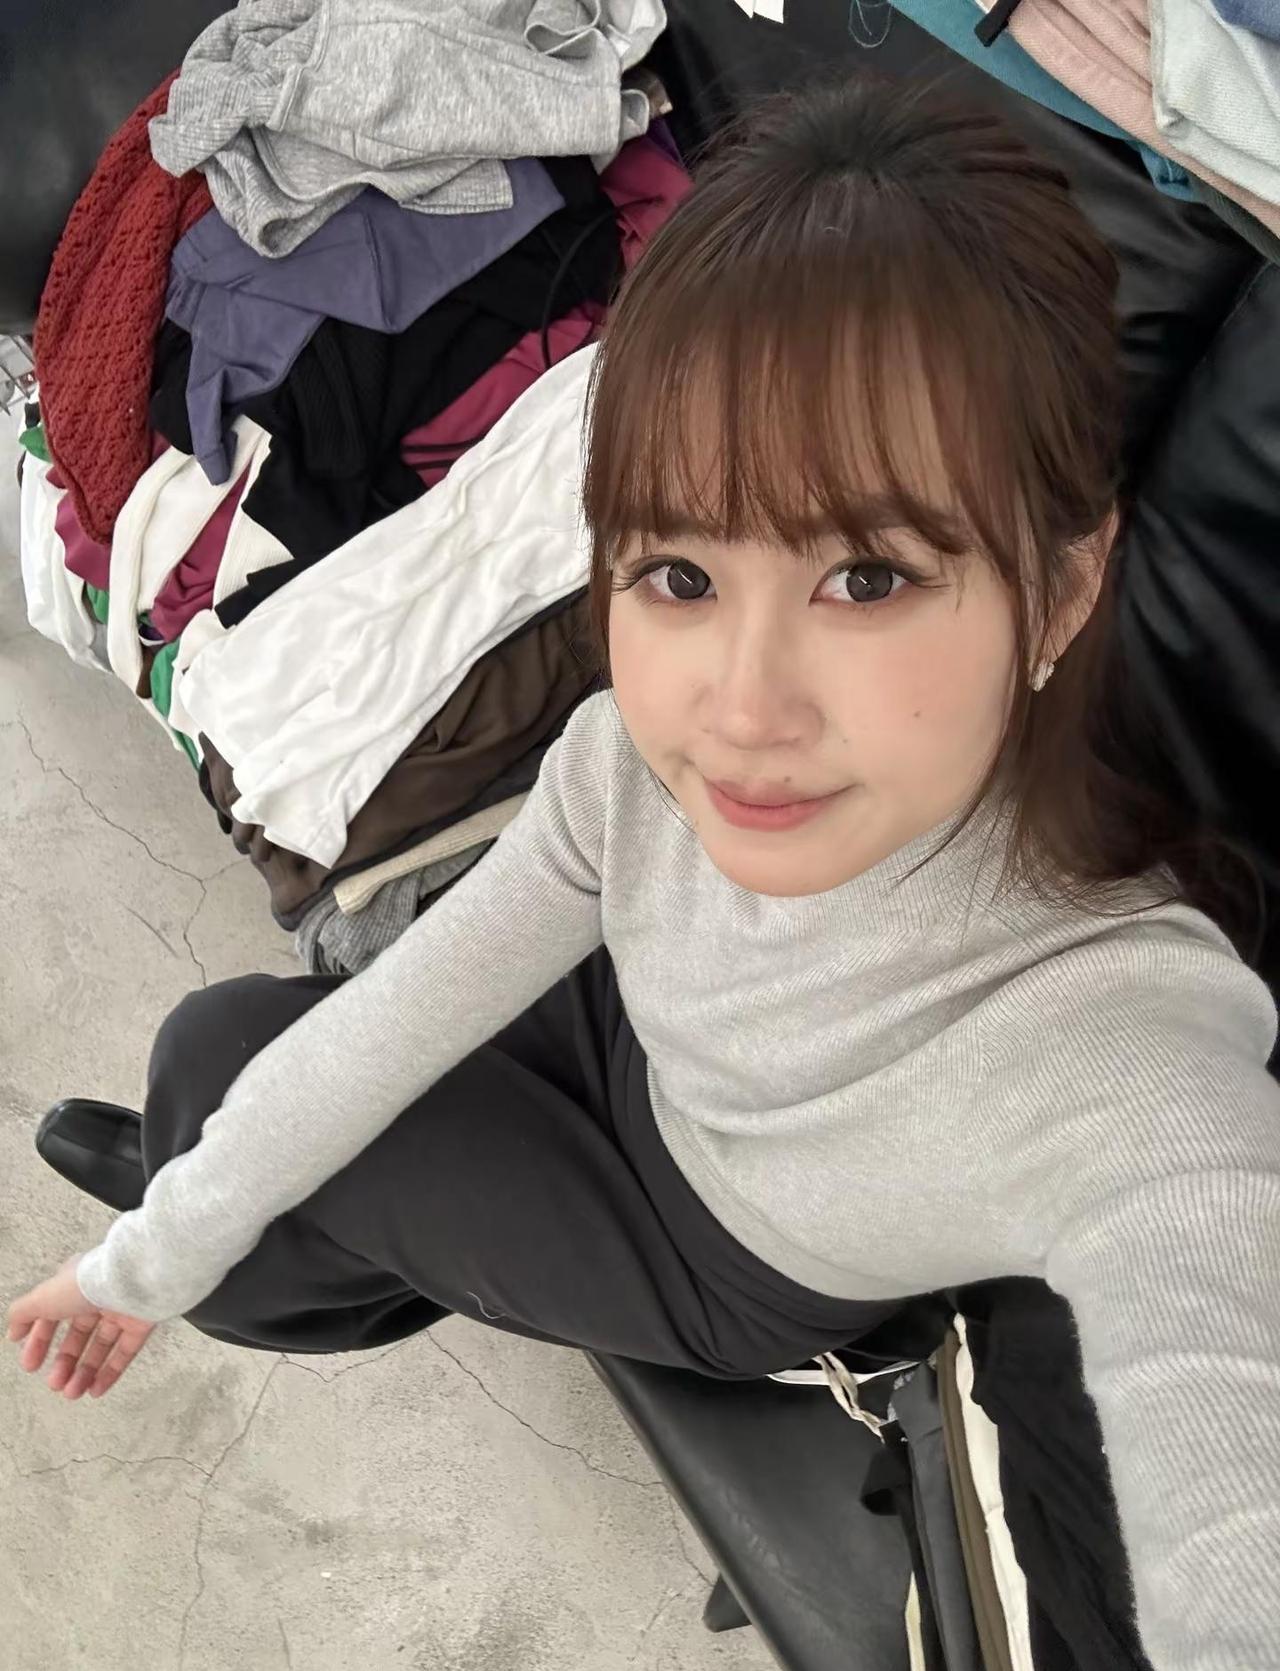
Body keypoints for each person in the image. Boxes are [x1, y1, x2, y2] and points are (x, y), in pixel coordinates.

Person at [8, 76, 1280, 1669]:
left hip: (722, 1245)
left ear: (1065, 589)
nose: (741, 710)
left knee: (228, 1162)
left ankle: (292, 1249)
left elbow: (1225, 1495)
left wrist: (180, 1254)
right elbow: (399, 1017)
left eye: (868, 577)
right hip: (648, 1028)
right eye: (680, 571)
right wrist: (145, 1259)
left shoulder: (1126, 1049)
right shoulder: (633, 761)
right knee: (222, 1081)